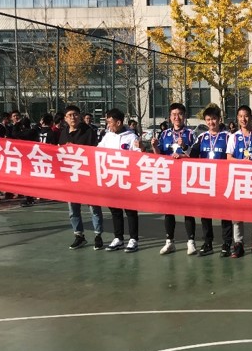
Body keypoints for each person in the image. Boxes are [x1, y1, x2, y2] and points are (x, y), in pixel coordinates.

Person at [151, 102, 197, 255]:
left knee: (187, 209)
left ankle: (191, 242)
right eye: (174, 114)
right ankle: (169, 241)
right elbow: (159, 155)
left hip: (185, 177)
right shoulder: (164, 134)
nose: (177, 117)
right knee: (168, 210)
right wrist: (155, 146)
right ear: (170, 117)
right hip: (169, 176)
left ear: (184, 116)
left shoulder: (190, 134)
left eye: (180, 114)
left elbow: (195, 155)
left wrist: (183, 150)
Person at [59, 105, 104, 250]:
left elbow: (93, 152)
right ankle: (79, 235)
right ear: (65, 118)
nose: (73, 117)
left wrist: (75, 149)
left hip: (87, 176)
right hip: (71, 177)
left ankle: (98, 235)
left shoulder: (88, 132)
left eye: (75, 114)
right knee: (73, 209)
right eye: (70, 115)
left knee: (94, 207)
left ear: (80, 116)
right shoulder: (63, 133)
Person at [189, 105, 231, 257]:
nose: (211, 122)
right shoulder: (202, 137)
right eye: (208, 119)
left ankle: (227, 243)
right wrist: (181, 151)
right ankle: (208, 243)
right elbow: (192, 155)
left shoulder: (228, 137)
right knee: (205, 213)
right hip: (206, 181)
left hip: (223, 181)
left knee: (225, 213)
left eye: (214, 119)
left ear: (219, 119)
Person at [98, 108, 141, 253]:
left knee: (130, 210)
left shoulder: (131, 137)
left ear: (118, 122)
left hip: (127, 179)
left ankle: (133, 239)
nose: (108, 125)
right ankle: (118, 238)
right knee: (115, 209)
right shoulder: (107, 136)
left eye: (110, 122)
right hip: (112, 179)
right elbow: (97, 151)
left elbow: (138, 155)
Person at [226, 105, 252, 258]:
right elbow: (229, 158)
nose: (243, 119)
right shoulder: (233, 137)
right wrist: (243, 162)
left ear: (251, 117)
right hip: (239, 178)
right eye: (240, 116)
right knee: (237, 213)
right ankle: (238, 244)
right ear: (237, 118)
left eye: (246, 115)